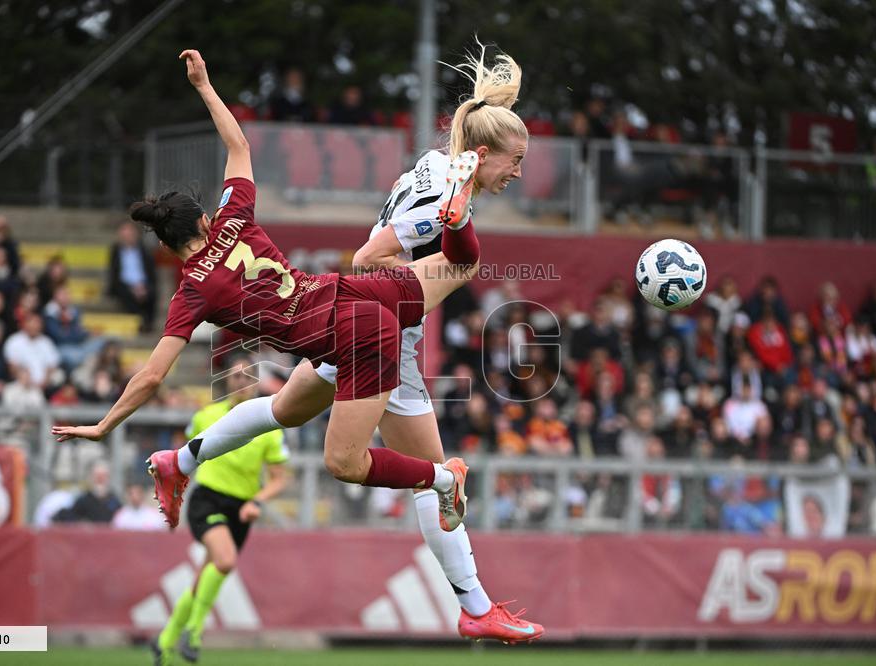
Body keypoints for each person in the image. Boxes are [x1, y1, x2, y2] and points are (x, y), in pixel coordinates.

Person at [52, 46, 540, 641]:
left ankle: (177, 460)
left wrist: (107, 424)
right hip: (368, 325)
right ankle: (473, 599)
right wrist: (205, 85)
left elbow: (152, 377)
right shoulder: (237, 216)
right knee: (401, 467)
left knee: (285, 409)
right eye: (514, 161)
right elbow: (243, 150)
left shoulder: (190, 294)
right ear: (206, 218)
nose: (518, 173)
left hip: (339, 322)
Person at [153, 355, 289, 666]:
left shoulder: (270, 427)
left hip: (241, 508)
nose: (240, 383)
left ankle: (164, 641)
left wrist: (257, 501)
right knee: (225, 560)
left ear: (256, 383)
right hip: (208, 499)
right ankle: (195, 631)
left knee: (205, 573)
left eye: (247, 377)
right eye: (235, 377)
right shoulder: (206, 416)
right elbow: (182, 454)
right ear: (226, 382)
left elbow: (279, 480)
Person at [107, 221, 158, 333]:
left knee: (152, 293)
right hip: (124, 284)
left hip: (143, 284)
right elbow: (114, 274)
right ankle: (140, 320)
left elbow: (150, 272)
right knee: (124, 293)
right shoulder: (116, 251)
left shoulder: (144, 250)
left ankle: (148, 324)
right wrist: (132, 287)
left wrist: (142, 287)